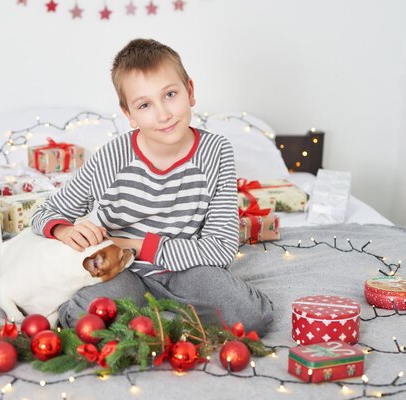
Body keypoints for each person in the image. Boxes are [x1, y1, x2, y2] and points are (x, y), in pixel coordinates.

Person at [30, 38, 274, 335]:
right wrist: (64, 230)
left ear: (190, 91)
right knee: (88, 320)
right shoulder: (111, 157)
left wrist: (136, 246)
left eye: (170, 94)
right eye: (144, 105)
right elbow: (46, 211)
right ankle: (159, 318)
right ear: (129, 115)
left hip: (187, 269)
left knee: (250, 317)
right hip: (122, 270)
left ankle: (158, 316)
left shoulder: (216, 152)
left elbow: (220, 249)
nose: (163, 114)